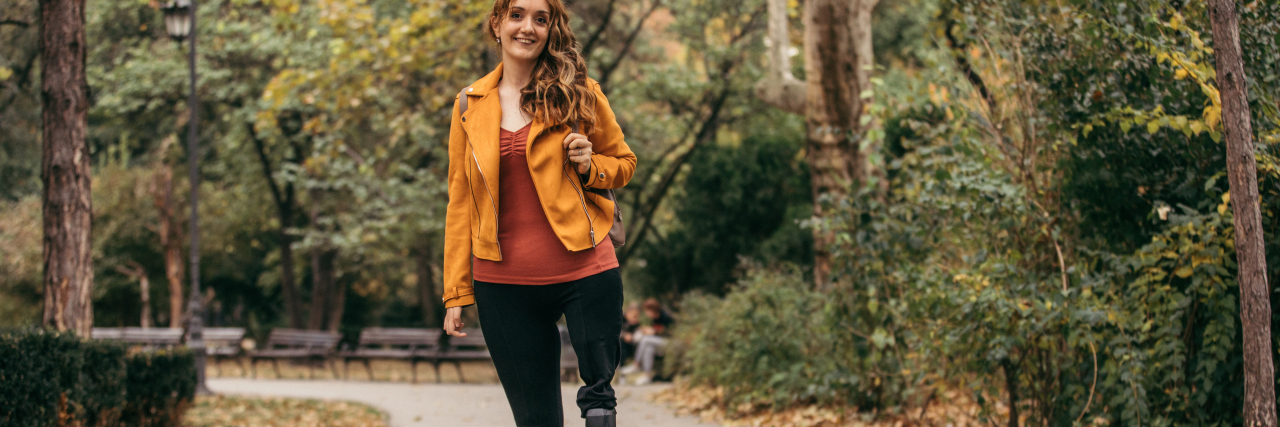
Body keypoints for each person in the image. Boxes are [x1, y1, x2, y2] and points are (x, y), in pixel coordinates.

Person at [439, 0, 637, 426]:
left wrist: (590, 166)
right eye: (517, 15)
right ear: (497, 24)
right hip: (503, 285)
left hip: (586, 269)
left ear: (551, 29)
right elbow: (460, 201)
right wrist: (456, 291)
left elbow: (623, 163)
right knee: (536, 420)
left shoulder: (580, 90)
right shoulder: (468, 105)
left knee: (599, 408)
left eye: (540, 19)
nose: (527, 27)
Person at [619, 298, 674, 385]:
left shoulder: (665, 316)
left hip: (671, 343)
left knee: (645, 339)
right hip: (660, 343)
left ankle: (636, 364)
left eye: (647, 311)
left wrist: (654, 331)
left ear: (652, 310)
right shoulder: (655, 318)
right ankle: (647, 376)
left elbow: (667, 331)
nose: (646, 314)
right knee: (648, 348)